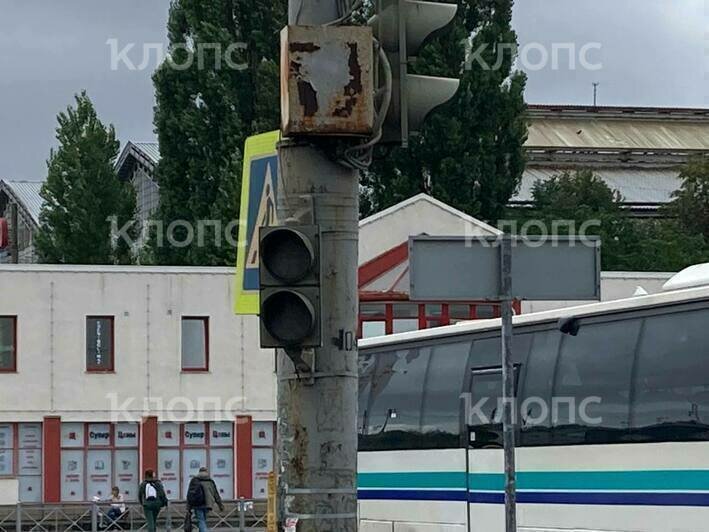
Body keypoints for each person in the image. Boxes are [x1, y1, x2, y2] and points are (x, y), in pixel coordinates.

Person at [186, 467, 224, 532]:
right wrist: (220, 505)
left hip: (197, 504)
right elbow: (215, 494)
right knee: (203, 520)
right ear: (206, 472)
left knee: (201, 520)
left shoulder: (194, 480)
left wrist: (188, 506)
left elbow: (190, 493)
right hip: (207, 504)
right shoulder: (210, 481)